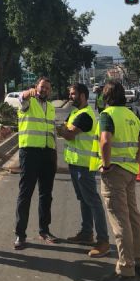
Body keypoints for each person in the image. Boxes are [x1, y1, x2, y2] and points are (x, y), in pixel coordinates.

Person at [98, 81, 140, 281]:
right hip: (130, 172)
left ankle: (126, 269)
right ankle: (139, 263)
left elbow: (105, 141)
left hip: (115, 173)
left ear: (106, 97)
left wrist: (107, 165)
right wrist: (136, 161)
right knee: (133, 216)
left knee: (120, 221)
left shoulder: (107, 115)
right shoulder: (131, 115)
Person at [57, 83, 110, 257]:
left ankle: (103, 241)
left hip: (84, 165)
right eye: (70, 93)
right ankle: (86, 233)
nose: (70, 96)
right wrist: (63, 129)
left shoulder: (85, 115)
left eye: (73, 94)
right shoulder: (74, 113)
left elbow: (69, 134)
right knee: (84, 199)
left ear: (82, 96)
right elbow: (66, 129)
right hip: (75, 163)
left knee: (93, 201)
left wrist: (58, 128)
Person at [14, 77, 58, 249]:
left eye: (47, 88)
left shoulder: (52, 108)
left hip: (48, 153)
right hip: (30, 153)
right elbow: (21, 99)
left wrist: (54, 151)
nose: (44, 90)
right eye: (42, 87)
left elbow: (52, 131)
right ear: (35, 88)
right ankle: (20, 234)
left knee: (46, 194)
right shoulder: (28, 103)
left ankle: (44, 230)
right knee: (25, 194)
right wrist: (26, 93)